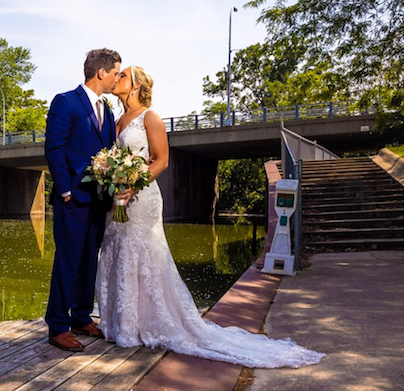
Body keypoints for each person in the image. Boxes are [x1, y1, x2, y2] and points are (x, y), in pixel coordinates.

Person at [96, 66, 323, 368]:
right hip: (119, 198)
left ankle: (146, 324)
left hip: (142, 197)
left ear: (136, 85)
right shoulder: (115, 120)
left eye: (123, 75)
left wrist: (131, 185)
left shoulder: (149, 118)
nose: (117, 79)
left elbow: (162, 160)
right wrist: (114, 183)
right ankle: (120, 323)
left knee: (143, 254)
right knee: (117, 251)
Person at [43, 49, 121, 352]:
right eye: (116, 72)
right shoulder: (66, 102)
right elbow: (54, 148)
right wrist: (65, 190)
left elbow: (109, 154)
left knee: (89, 259)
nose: (117, 78)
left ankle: (80, 316)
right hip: (72, 199)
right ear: (101, 73)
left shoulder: (109, 111)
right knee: (67, 261)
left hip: (98, 200)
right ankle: (58, 326)